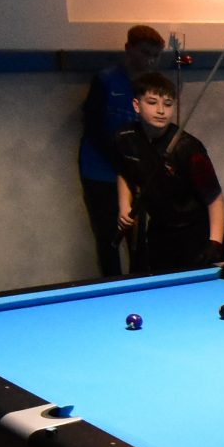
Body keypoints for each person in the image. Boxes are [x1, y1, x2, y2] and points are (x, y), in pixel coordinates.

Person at [111, 72, 224, 275]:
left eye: (168, 104)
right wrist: (124, 205)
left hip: (196, 230)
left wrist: (215, 243)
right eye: (152, 102)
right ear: (136, 105)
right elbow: (124, 171)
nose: (161, 110)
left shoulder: (188, 148)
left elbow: (214, 199)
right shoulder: (125, 137)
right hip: (160, 227)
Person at [78, 24, 165, 277]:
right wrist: (121, 161)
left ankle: (141, 286)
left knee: (138, 238)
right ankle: (112, 286)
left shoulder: (152, 87)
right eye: (145, 53)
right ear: (128, 49)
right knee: (108, 236)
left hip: (135, 172)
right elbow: (93, 127)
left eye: (155, 55)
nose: (150, 60)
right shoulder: (106, 80)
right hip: (99, 171)